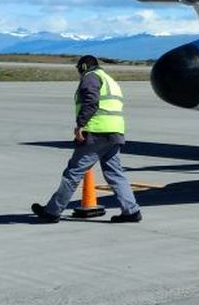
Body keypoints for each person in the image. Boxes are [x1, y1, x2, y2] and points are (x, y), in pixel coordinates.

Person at [31, 55, 143, 224]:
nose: (78, 73)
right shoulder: (109, 80)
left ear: (83, 66)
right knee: (115, 173)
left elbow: (91, 101)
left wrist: (80, 125)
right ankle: (131, 211)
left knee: (73, 173)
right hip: (115, 132)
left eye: (78, 68)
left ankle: (52, 211)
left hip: (97, 132)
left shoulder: (91, 77)